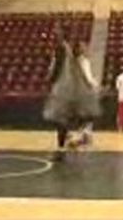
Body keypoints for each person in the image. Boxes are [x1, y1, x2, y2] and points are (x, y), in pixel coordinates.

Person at [43, 28, 101, 162]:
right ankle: (75, 137)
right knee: (67, 118)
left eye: (56, 34)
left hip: (64, 89)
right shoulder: (69, 51)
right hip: (71, 88)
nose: (54, 37)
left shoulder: (62, 50)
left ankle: (67, 144)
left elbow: (56, 68)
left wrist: (50, 79)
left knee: (59, 118)